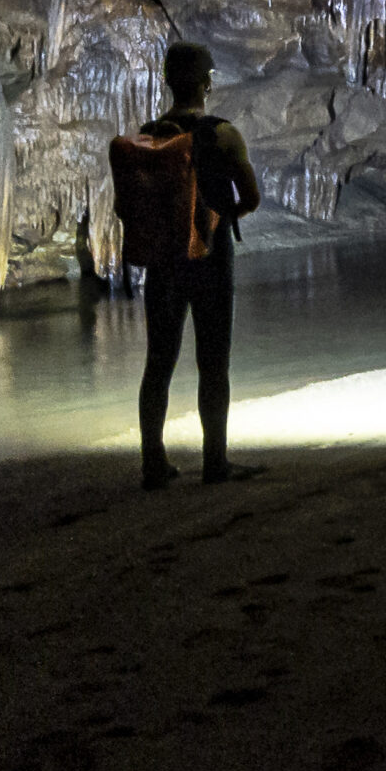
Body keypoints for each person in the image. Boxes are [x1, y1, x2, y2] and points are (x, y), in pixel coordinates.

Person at [139, 41, 262, 489]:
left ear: (168, 80)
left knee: (158, 361)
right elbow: (251, 197)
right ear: (208, 83)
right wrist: (220, 217)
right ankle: (215, 462)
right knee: (213, 363)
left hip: (164, 262)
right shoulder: (223, 134)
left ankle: (153, 463)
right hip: (210, 258)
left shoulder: (150, 135)